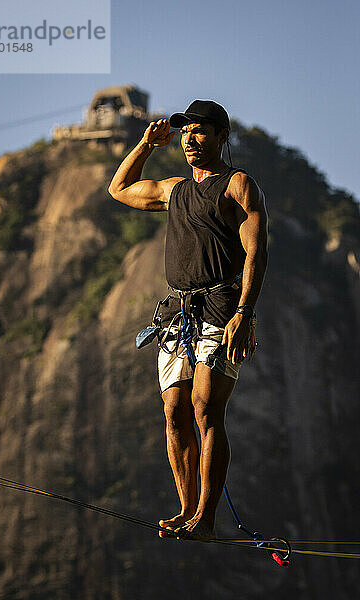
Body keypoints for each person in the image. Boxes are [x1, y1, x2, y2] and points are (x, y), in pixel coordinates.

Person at [108, 100, 268, 540]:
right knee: (174, 410)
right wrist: (145, 143)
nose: (191, 139)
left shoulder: (237, 185)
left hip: (222, 309)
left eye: (201, 131)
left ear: (221, 137)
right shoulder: (175, 189)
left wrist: (245, 311)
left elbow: (256, 250)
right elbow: (119, 189)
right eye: (185, 132)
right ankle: (186, 508)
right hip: (177, 315)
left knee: (204, 406)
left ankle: (207, 516)